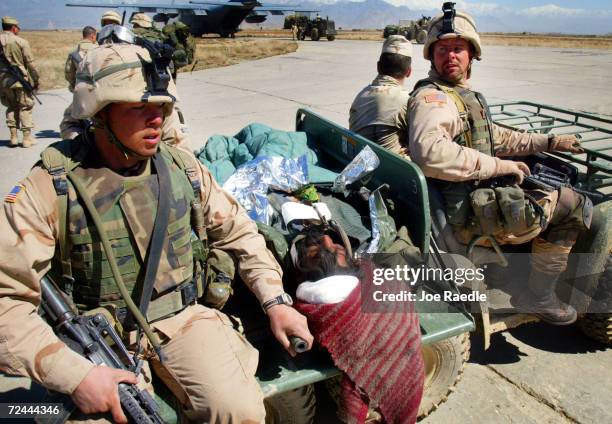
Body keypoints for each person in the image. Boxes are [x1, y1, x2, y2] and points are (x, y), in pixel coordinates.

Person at [0, 43, 312, 423]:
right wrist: (75, 375)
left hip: (184, 318)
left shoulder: (182, 168)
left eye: (162, 108)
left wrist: (274, 299)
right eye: (138, 108)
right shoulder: (51, 186)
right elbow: (6, 302)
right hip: (92, 337)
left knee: (238, 410)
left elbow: (238, 231)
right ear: (98, 113)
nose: (157, 120)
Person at [407, 4, 590, 325]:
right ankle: (539, 296)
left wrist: (546, 142)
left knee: (534, 179)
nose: (450, 56)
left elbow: (492, 136)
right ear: (431, 56)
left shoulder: (458, 96)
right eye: (443, 50)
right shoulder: (434, 100)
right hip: (466, 217)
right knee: (574, 204)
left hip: (466, 200)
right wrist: (497, 167)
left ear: (471, 55)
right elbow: (430, 152)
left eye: (458, 49)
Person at [349, 35, 412, 156]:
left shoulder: (360, 96)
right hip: (390, 170)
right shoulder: (407, 101)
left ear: (378, 67)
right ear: (409, 71)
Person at [0, 16, 39, 148]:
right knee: (25, 107)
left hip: (3, 80)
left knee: (11, 106)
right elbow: (31, 64)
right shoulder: (21, 42)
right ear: (14, 28)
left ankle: (13, 137)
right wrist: (36, 80)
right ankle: (26, 139)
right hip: (20, 80)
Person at [64, 26, 97, 92]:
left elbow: (68, 74)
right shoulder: (100, 49)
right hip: (98, 88)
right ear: (93, 36)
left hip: (81, 88)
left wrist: (74, 83)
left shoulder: (74, 53)